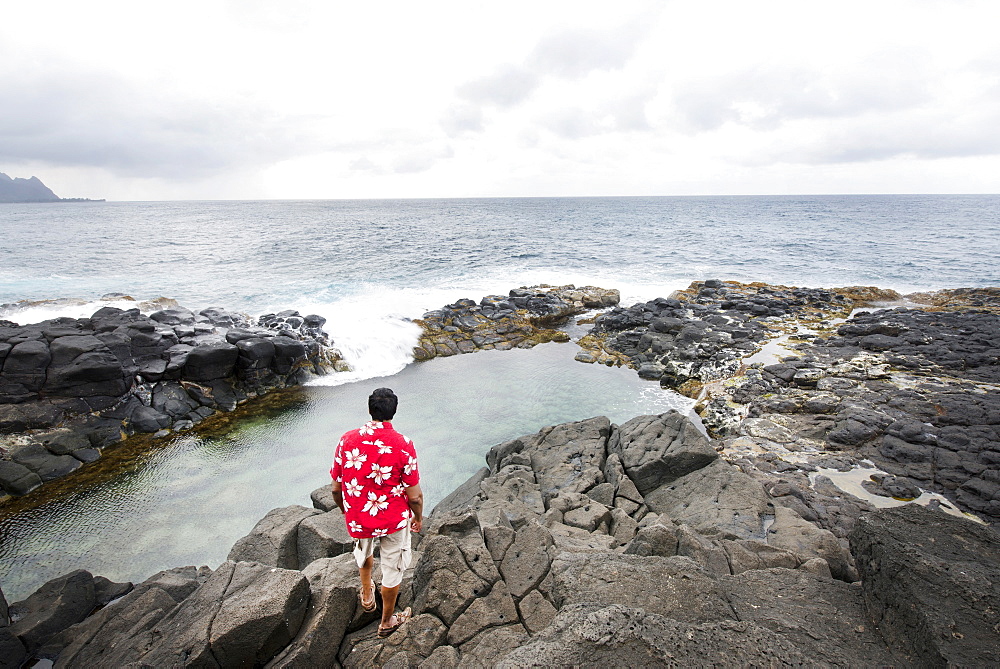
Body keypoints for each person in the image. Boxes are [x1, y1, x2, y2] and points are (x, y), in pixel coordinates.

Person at [330, 387, 423, 638]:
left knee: (363, 551)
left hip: (359, 515)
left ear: (370, 409)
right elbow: (414, 496)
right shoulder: (404, 445)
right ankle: (387, 622)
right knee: (393, 568)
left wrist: (344, 510)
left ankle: (367, 594)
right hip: (393, 518)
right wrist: (418, 517)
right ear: (394, 411)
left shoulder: (346, 440)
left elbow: (336, 488)